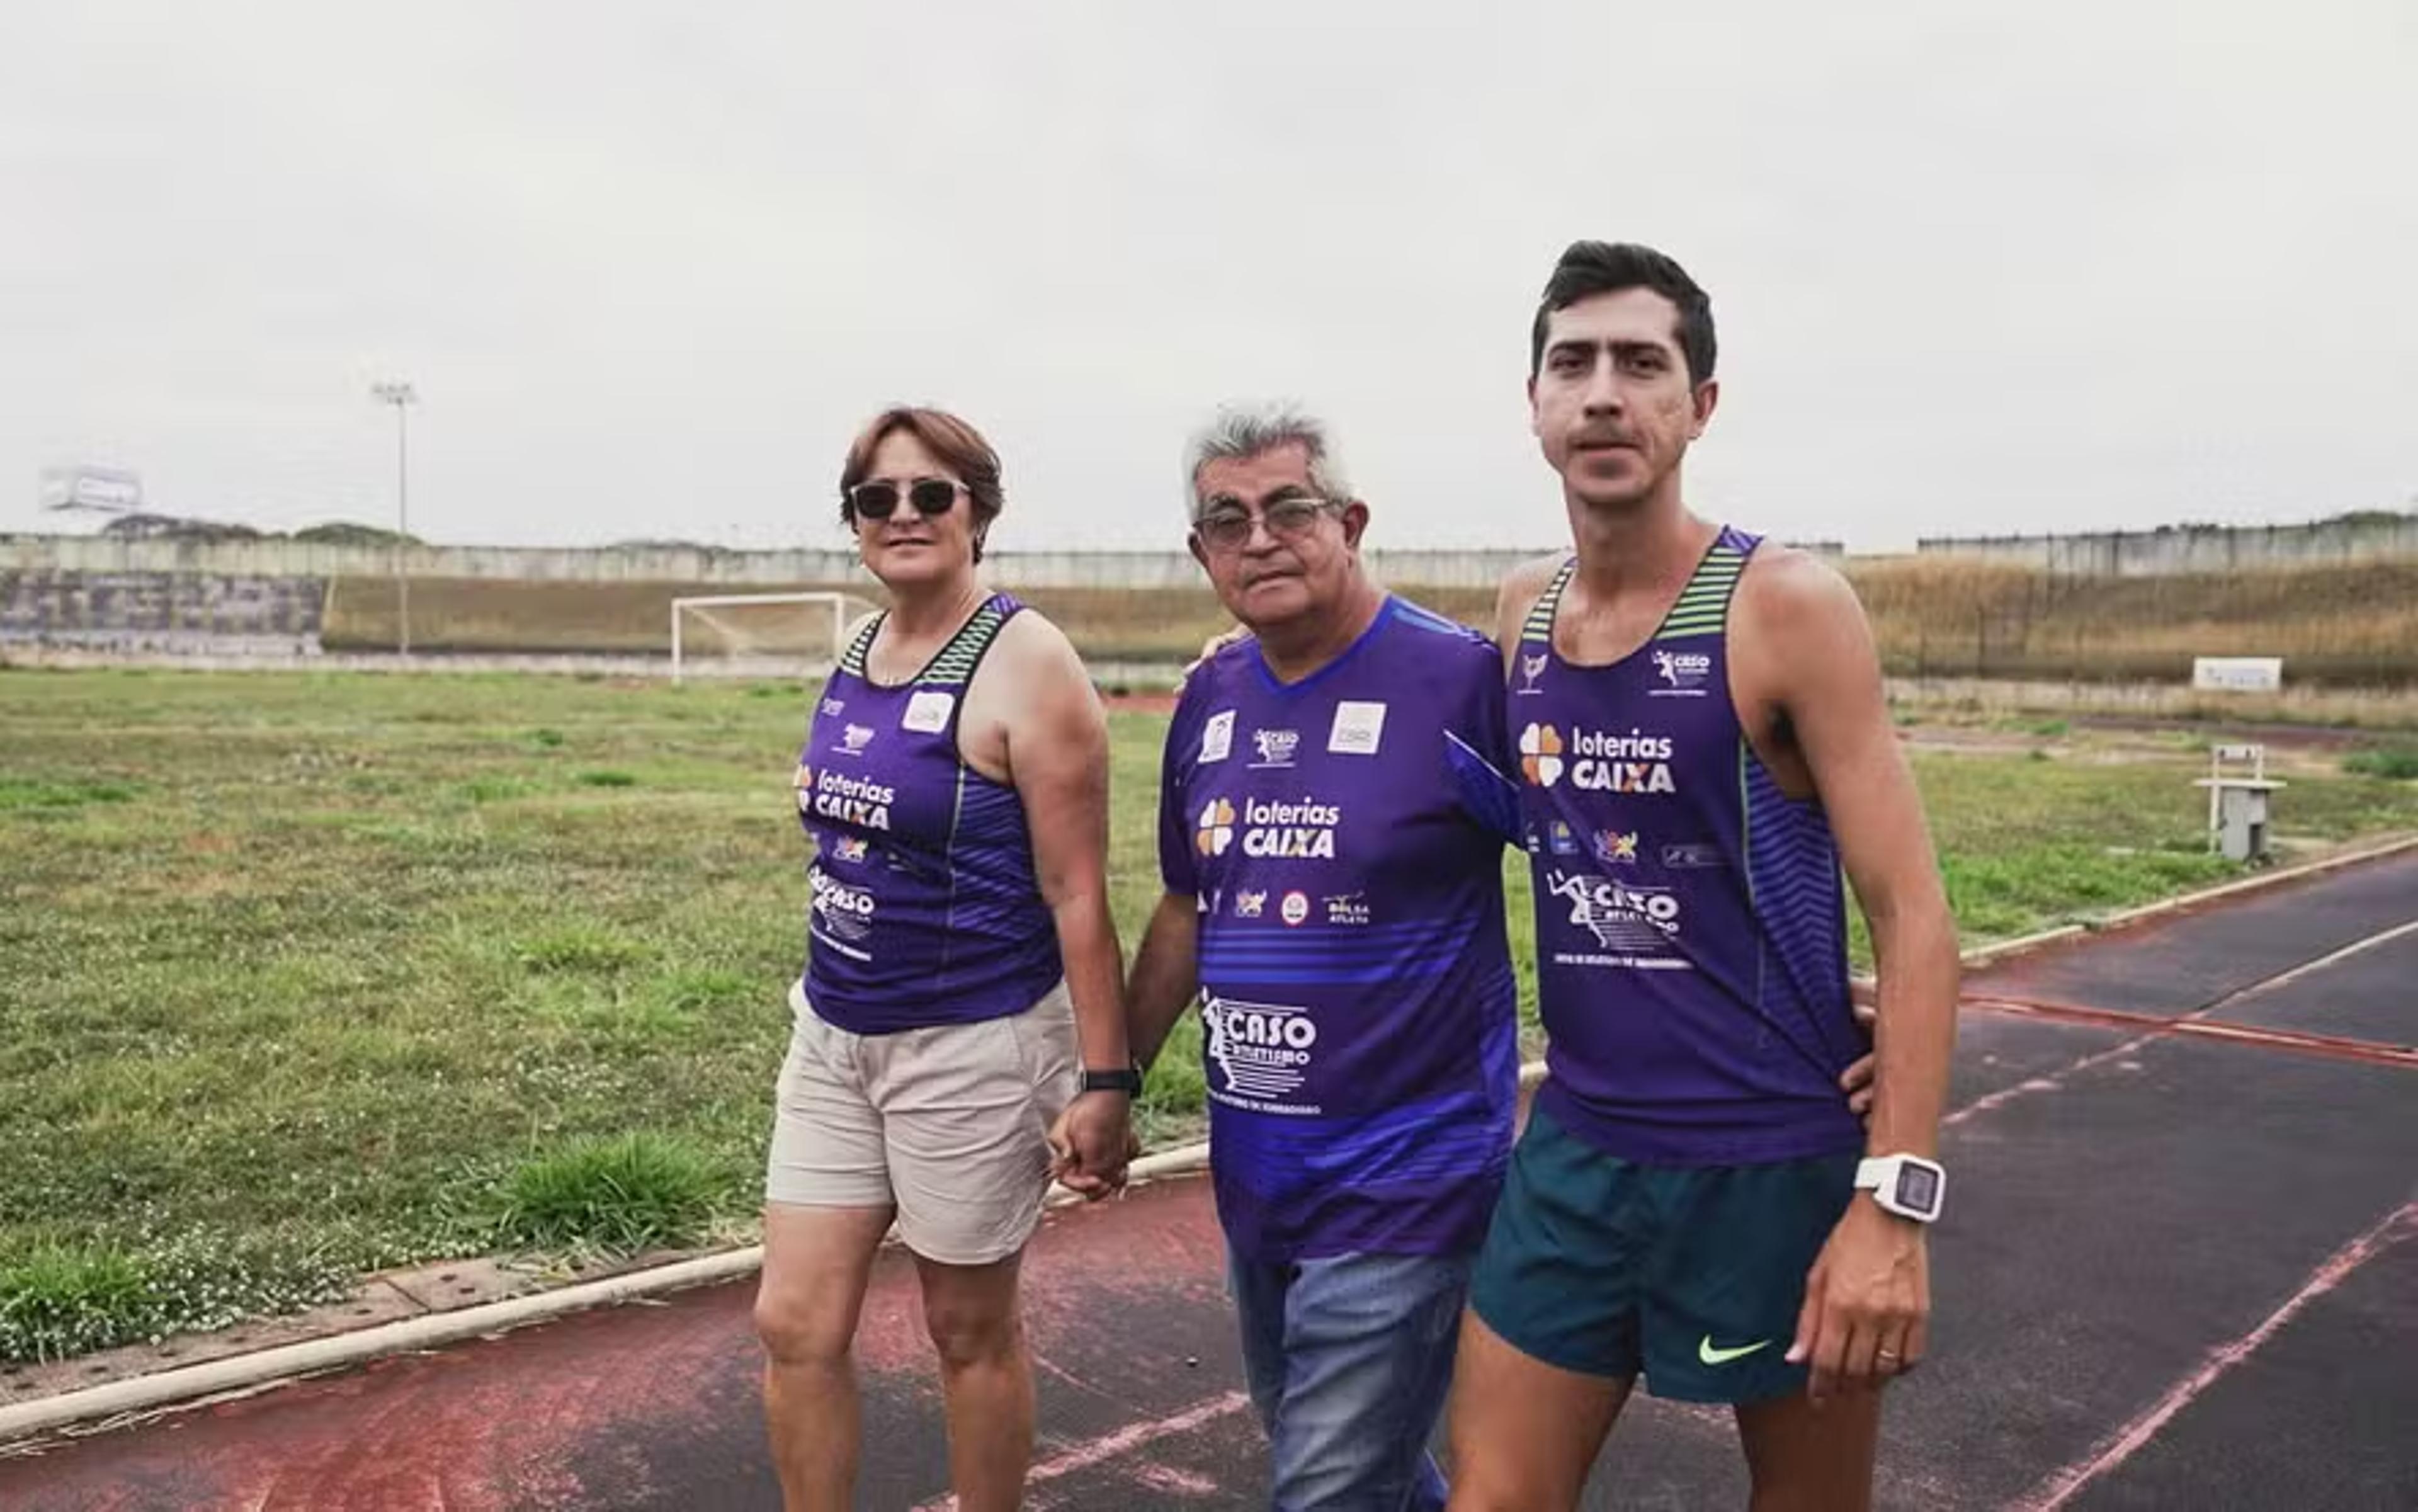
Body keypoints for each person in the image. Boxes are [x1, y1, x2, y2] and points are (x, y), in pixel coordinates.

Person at [1446, 243, 1961, 1512]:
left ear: (1701, 403)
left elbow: (1915, 913)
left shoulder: (1783, 605)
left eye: (1643, 363)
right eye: (1574, 363)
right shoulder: (1523, 610)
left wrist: (1892, 1201)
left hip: (1769, 1157)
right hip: (1577, 1142)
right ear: (1534, 402)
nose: (1606, 393)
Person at [1121, 404, 1523, 1511]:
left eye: (1288, 508)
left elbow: (1599, 865)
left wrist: (1779, 987)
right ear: (1201, 552)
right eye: (1226, 519)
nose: (1260, 537)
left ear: (1348, 520)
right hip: (1258, 1175)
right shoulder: (1209, 697)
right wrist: (1110, 1081)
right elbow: (1186, 903)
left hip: (1410, 1175)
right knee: (1353, 1461)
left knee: (1328, 1484)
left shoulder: (1459, 683)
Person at [752, 406, 1135, 1512]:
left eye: (933, 494)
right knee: (794, 1321)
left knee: (965, 1330)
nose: (905, 514)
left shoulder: (1028, 662)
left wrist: (1104, 1083)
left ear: (980, 510)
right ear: (855, 520)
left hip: (973, 1043)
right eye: (879, 498)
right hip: (833, 1034)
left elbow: (1077, 893)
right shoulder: (860, 649)